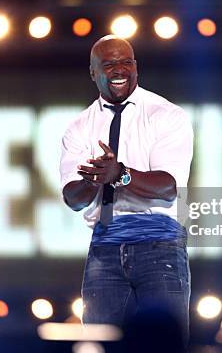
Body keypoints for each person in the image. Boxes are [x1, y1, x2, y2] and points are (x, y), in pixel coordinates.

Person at [59, 35, 193, 346]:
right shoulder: (79, 127)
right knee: (97, 344)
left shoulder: (165, 115)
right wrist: (95, 179)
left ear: (136, 67)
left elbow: (169, 188)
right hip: (104, 247)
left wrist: (120, 175)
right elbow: (72, 198)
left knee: (164, 345)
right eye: (109, 64)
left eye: (126, 62)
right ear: (93, 72)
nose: (120, 69)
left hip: (159, 245)